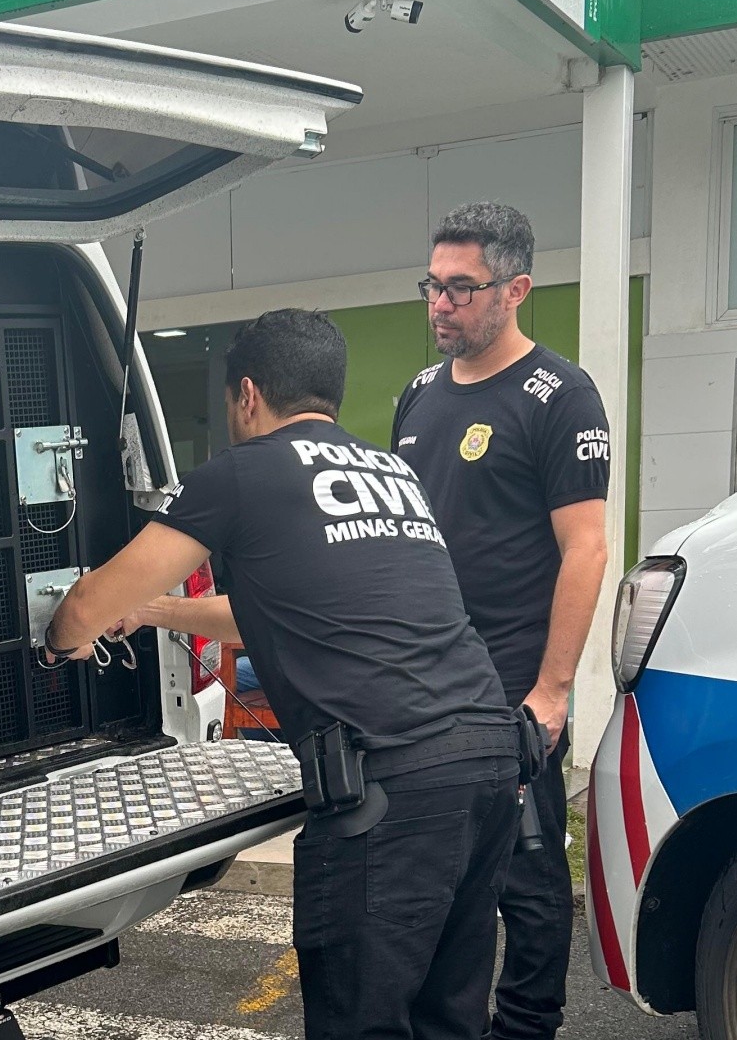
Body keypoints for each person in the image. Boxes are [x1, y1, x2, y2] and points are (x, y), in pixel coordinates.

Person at [44, 308, 521, 1040]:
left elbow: (82, 603)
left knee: (361, 1023)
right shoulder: (390, 470)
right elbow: (274, 609)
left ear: (246, 393)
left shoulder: (241, 472)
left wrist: (60, 644)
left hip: (389, 792)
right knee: (448, 1020)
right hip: (486, 762)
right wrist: (155, 611)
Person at [392, 202, 611, 1040]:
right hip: (427, 696)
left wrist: (551, 696)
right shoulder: (418, 396)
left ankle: (526, 1028)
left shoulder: (559, 396)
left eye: (460, 289)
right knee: (438, 886)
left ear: (515, 289)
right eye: (432, 286)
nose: (439, 305)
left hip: (513, 698)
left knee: (527, 885)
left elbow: (585, 550)